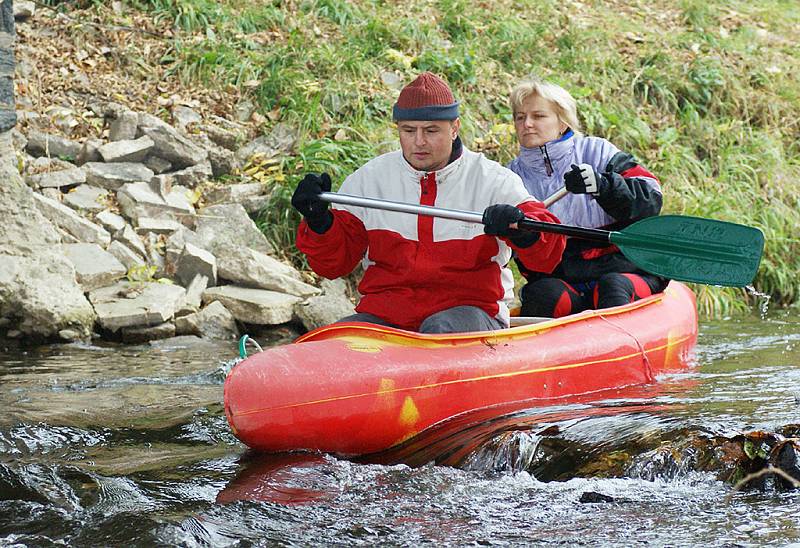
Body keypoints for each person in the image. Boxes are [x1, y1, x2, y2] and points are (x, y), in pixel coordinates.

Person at [291, 72, 566, 334]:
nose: (419, 142)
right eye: (409, 130)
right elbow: (332, 267)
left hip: (470, 313)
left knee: (438, 330)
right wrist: (319, 223)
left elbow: (548, 256)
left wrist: (521, 229)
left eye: (431, 130)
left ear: (455, 128)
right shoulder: (368, 179)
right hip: (387, 316)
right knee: (337, 337)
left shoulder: (493, 180)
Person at [507, 78, 667, 318]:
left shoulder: (598, 151)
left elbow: (650, 199)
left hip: (623, 269)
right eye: (520, 117)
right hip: (561, 278)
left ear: (562, 122)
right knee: (542, 295)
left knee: (612, 287)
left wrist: (604, 186)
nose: (527, 124)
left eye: (538, 116)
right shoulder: (509, 176)